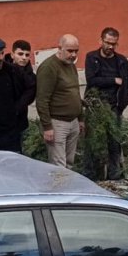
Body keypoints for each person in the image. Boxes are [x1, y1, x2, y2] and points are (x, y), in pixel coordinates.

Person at [84, 27, 128, 180]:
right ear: (101, 41)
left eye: (114, 44)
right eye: (108, 43)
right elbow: (92, 80)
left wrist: (121, 105)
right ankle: (91, 175)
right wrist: (113, 80)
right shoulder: (92, 58)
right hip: (96, 107)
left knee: (114, 143)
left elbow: (127, 83)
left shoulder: (121, 61)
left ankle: (115, 174)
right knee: (93, 142)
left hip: (114, 107)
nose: (110, 47)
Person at [36, 34, 85, 168]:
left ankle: (68, 188)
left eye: (76, 51)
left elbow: (75, 92)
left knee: (69, 163)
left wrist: (80, 118)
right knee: (59, 166)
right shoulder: (49, 68)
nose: (73, 55)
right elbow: (42, 99)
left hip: (73, 122)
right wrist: (47, 127)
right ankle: (59, 189)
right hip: (57, 124)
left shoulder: (71, 65)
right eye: (70, 51)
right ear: (59, 48)